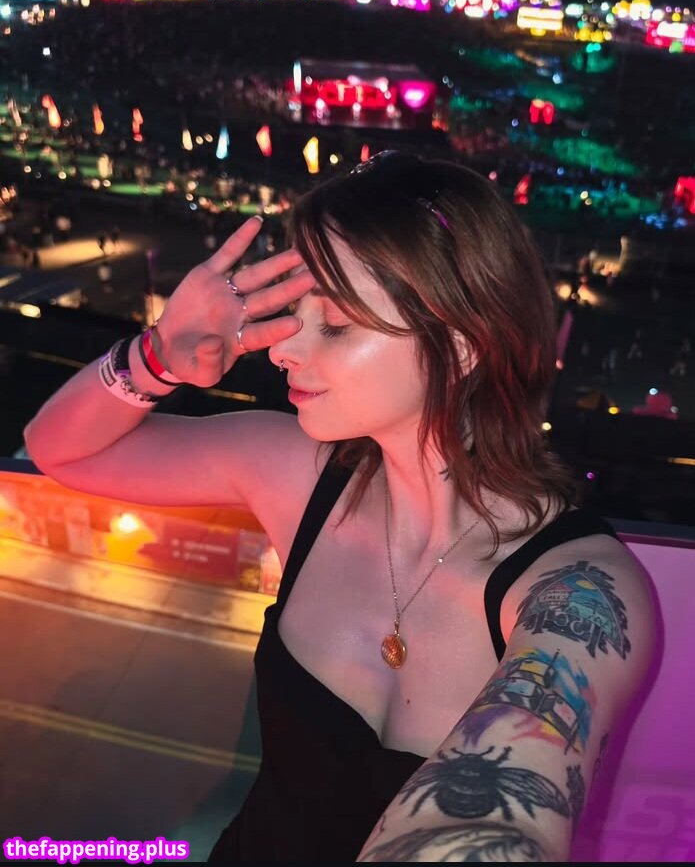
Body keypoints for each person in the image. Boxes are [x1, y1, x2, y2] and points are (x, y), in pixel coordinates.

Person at [24, 150, 657, 863]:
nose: (283, 348)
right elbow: (61, 451)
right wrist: (157, 358)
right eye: (294, 312)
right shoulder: (298, 475)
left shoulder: (579, 594)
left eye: (334, 324)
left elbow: (507, 808)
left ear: (461, 345)